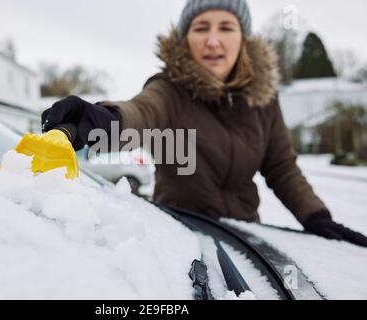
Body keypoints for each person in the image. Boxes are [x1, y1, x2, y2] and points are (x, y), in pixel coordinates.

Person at [41, 0, 367, 247]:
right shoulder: (169, 90)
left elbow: (282, 168)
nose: (213, 40)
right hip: (181, 237)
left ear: (243, 38)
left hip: (248, 240)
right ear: (186, 39)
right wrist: (107, 121)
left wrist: (316, 216)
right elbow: (142, 113)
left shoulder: (264, 101)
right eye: (201, 28)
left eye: (226, 27)